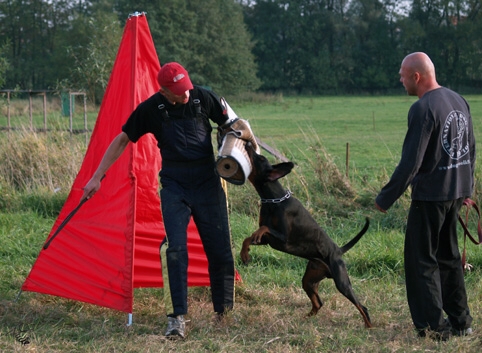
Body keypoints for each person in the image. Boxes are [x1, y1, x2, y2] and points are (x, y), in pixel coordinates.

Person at [82, 62, 254, 339]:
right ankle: (177, 319)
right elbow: (122, 139)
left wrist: (239, 139)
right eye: (178, 92)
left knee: (220, 249)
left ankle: (224, 314)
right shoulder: (150, 109)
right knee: (175, 250)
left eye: (186, 88)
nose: (185, 95)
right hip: (175, 184)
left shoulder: (203, 96)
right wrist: (96, 177)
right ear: (164, 91)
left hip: (208, 182)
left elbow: (234, 126)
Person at [375, 52, 475, 340]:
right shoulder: (457, 99)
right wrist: (466, 187)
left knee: (422, 262)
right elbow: (470, 147)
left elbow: (411, 163)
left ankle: (434, 328)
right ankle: (461, 322)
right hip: (455, 191)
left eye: (402, 74)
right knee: (449, 256)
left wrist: (386, 198)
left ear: (416, 77)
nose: (400, 79)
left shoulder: (422, 109)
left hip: (431, 196)